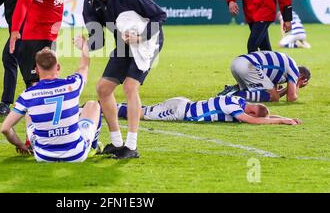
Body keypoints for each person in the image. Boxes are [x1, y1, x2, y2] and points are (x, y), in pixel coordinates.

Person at [82, 0, 167, 159]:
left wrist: (140, 37)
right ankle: (117, 143)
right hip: (123, 44)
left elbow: (160, 16)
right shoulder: (90, 3)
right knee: (103, 88)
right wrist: (85, 44)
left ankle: (131, 146)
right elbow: (99, 40)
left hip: (149, 41)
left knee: (130, 87)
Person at [0, 36, 102, 162]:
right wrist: (85, 46)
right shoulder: (72, 84)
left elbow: (5, 128)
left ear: (36, 70)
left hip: (44, 156)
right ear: (58, 67)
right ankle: (93, 147)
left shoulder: (28, 95)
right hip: (76, 154)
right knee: (93, 105)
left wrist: (19, 145)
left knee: (28, 113)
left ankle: (33, 143)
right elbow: (84, 67)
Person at [116, 95, 302, 125]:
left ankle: (110, 106)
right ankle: (105, 107)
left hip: (184, 104)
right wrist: (281, 121)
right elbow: (253, 120)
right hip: (181, 112)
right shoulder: (234, 108)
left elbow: (262, 115)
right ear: (251, 111)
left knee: (145, 110)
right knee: (142, 115)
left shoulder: (239, 100)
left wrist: (286, 118)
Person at [217, 51, 311, 102]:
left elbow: (272, 91)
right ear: (302, 77)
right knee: (274, 98)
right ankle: (231, 95)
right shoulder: (294, 70)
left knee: (257, 92)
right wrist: (297, 84)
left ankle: (233, 89)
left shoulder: (281, 71)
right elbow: (291, 98)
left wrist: (287, 89)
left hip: (237, 62)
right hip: (250, 65)